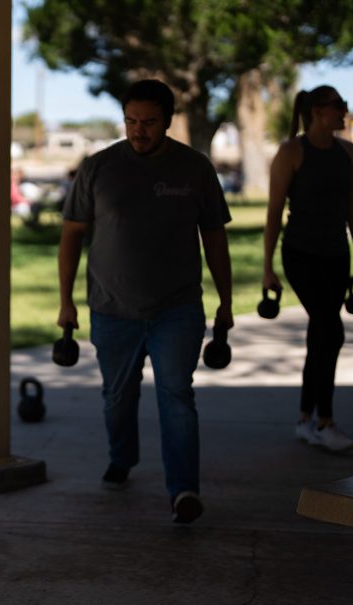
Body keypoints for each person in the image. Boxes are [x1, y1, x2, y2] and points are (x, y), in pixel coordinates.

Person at [57, 79, 233, 524]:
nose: (138, 131)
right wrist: (66, 302)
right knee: (118, 398)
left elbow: (214, 239)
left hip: (177, 307)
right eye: (131, 121)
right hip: (112, 308)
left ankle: (184, 490)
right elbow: (72, 236)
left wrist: (226, 303)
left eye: (149, 122)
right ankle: (123, 456)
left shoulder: (195, 168)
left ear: (169, 121)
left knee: (176, 395)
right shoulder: (98, 168)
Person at [263, 85, 353, 452]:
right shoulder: (291, 152)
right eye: (339, 105)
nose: (345, 111)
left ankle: (304, 420)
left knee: (321, 334)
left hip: (336, 254)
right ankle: (325, 422)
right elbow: (274, 213)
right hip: (300, 254)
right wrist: (267, 268)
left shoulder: (348, 152)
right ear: (318, 112)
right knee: (331, 329)